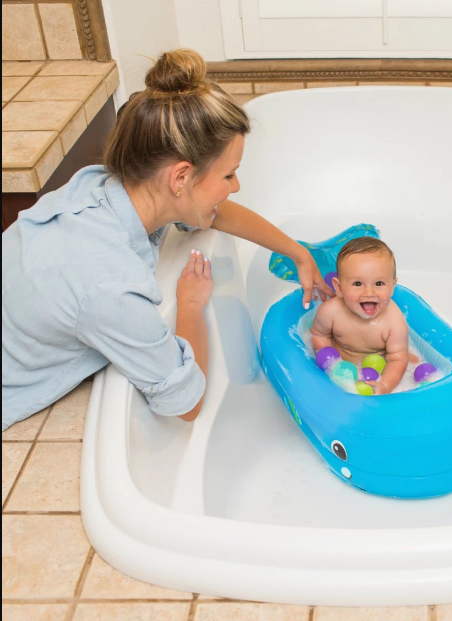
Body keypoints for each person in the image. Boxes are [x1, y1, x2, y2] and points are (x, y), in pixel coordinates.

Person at [1, 48, 332, 431]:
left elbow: (214, 213)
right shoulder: (109, 286)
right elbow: (185, 404)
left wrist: (295, 251)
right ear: (180, 178)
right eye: (228, 176)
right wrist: (190, 305)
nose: (236, 186)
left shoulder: (103, 188)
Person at [310, 237, 410, 395]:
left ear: (392, 287)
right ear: (339, 288)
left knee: (407, 358)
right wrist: (330, 363)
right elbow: (318, 334)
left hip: (377, 370)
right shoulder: (330, 312)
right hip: (342, 367)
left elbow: (397, 359)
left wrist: (385, 385)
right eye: (358, 284)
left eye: (379, 283)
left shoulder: (394, 322)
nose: (369, 293)